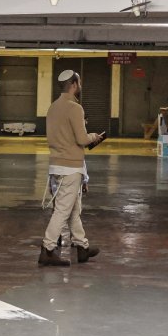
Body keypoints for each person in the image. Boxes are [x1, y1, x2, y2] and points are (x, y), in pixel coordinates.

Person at [38, 70, 104, 267]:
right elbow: (82, 139)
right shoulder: (75, 108)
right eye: (80, 83)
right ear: (74, 84)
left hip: (56, 166)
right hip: (70, 167)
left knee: (73, 209)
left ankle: (82, 247)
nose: (80, 86)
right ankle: (48, 249)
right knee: (62, 211)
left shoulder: (52, 107)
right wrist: (94, 136)